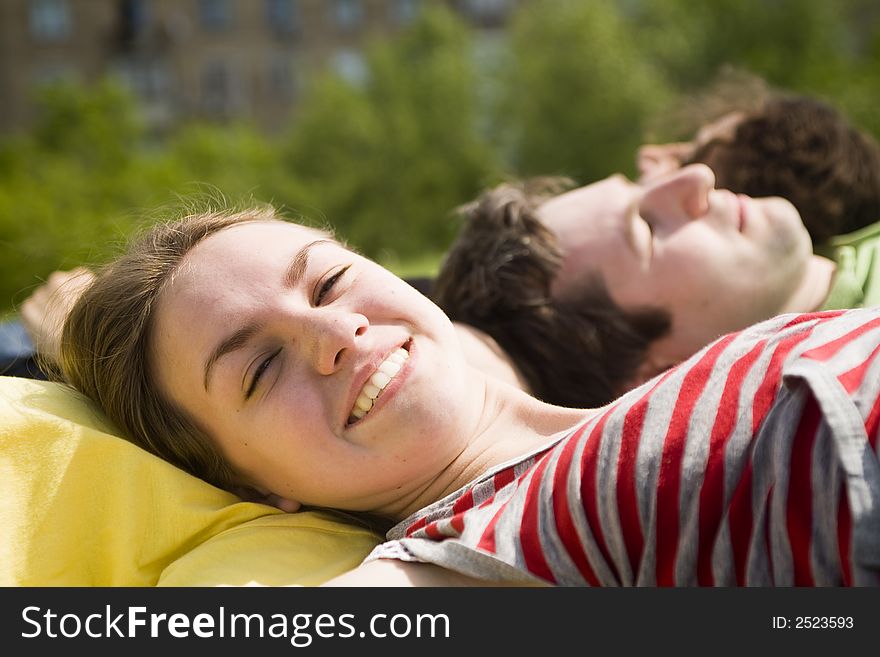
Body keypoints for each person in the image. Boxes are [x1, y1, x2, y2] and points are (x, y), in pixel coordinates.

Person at [54, 204, 880, 586]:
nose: (333, 334)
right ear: (252, 485)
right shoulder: (460, 557)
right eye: (260, 370)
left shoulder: (668, 384)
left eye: (331, 280)